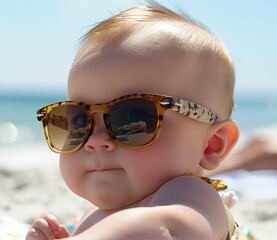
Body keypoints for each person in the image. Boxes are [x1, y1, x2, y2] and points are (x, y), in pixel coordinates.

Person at [28, 2, 246, 240]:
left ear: (212, 144)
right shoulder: (95, 213)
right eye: (79, 121)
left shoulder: (193, 196)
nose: (96, 140)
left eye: (132, 118)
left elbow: (164, 230)